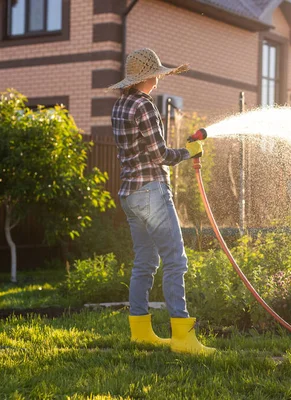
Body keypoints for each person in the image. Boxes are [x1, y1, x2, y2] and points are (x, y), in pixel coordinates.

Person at [108, 48, 214, 354]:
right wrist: (188, 153)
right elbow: (160, 155)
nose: (157, 80)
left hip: (129, 193)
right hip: (151, 192)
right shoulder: (145, 106)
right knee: (175, 260)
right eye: (156, 75)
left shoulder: (120, 106)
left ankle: (140, 331)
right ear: (148, 76)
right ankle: (183, 337)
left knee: (144, 263)